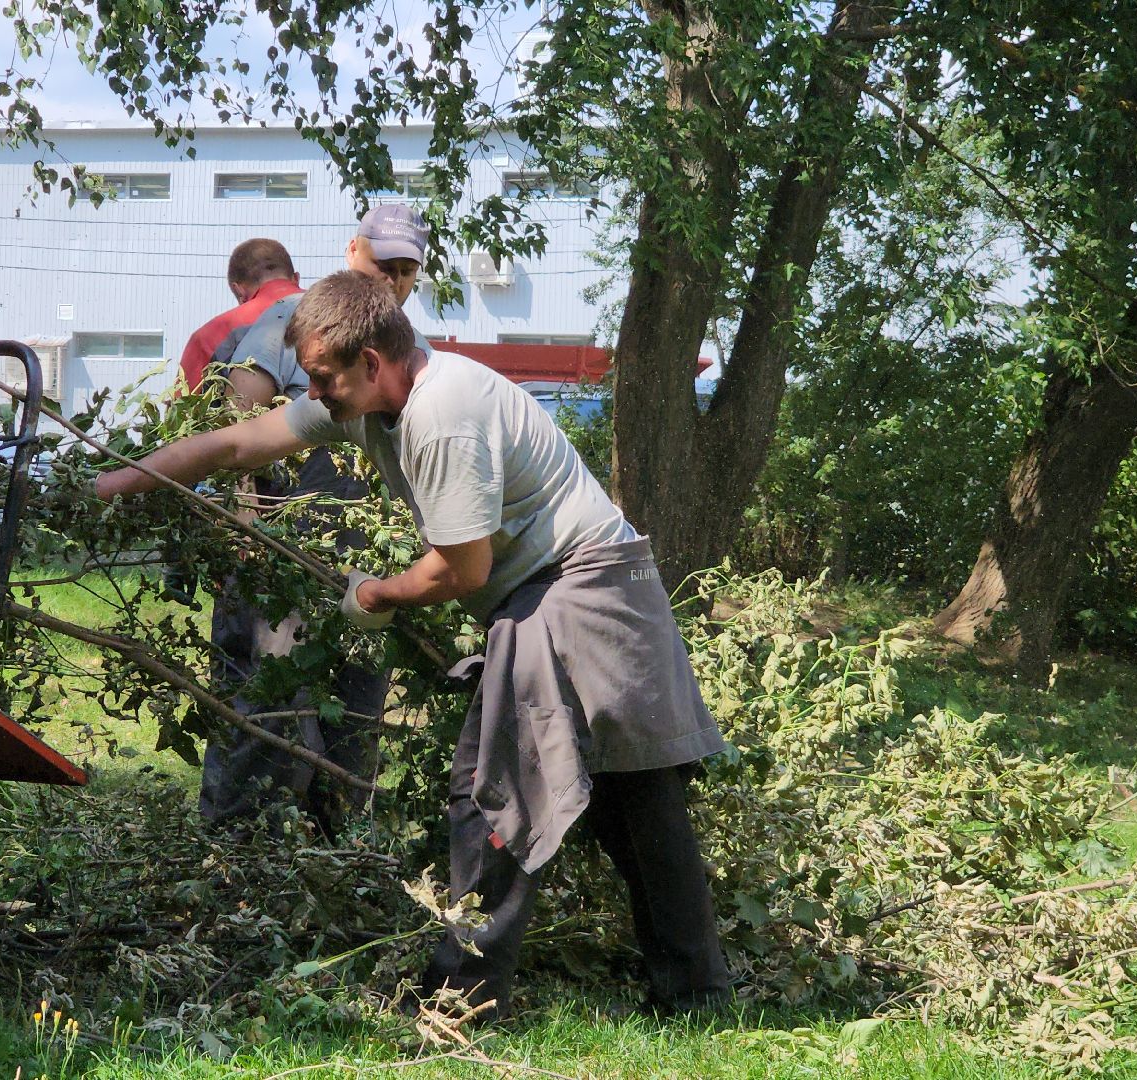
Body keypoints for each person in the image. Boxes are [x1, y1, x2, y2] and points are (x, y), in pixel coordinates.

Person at [94, 271, 731, 1017]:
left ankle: (461, 999)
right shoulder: (369, 402)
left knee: (493, 791)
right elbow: (239, 443)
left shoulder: (442, 414)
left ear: (372, 360)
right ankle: (696, 995)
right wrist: (111, 483)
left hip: (580, 589)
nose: (317, 391)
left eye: (325, 378)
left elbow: (463, 569)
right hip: (589, 586)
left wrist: (378, 592)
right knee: (634, 799)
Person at [193, 207, 431, 831]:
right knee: (270, 707)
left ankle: (336, 861)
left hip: (365, 564)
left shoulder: (412, 350)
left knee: (354, 714)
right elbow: (234, 415)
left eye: (407, 272)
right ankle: (235, 854)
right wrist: (244, 514)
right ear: (353, 251)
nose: (393, 282)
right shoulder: (296, 322)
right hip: (282, 558)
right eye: (384, 266)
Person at [176, 238, 304, 393]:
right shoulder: (329, 309)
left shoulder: (211, 336)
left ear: (238, 291)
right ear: (296, 279)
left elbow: (183, 408)